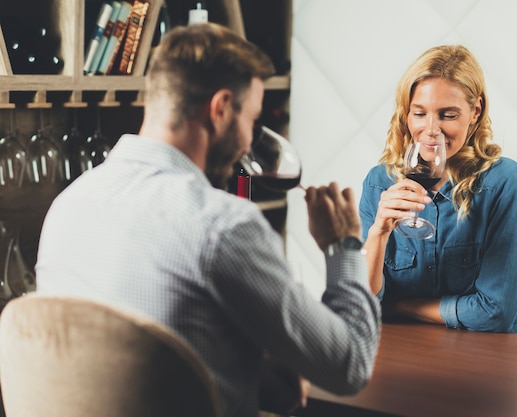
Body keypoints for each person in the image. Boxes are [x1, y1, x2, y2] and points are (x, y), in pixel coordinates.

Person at [35, 23, 380, 417]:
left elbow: (117, 357)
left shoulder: (68, 205)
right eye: (251, 120)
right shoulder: (222, 225)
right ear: (219, 109)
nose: (251, 143)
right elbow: (350, 367)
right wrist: (344, 246)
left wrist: (249, 376)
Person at [359, 45, 517, 333]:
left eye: (447, 115)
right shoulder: (380, 183)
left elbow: (495, 313)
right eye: (419, 113)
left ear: (475, 111)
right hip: (400, 356)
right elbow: (361, 307)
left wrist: (399, 307)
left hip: (485, 362)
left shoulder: (502, 182)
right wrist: (378, 233)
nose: (431, 129)